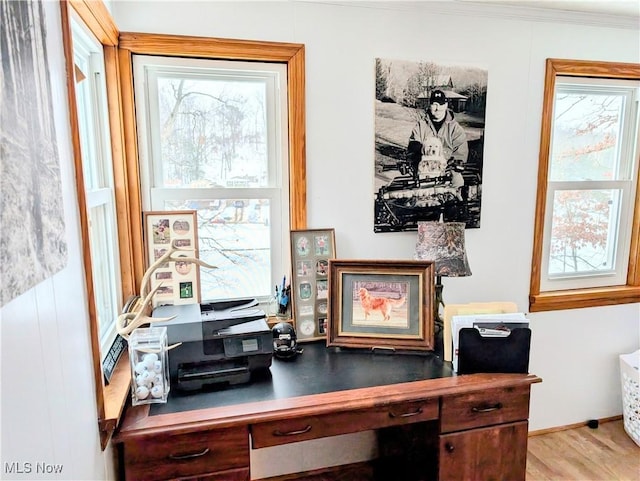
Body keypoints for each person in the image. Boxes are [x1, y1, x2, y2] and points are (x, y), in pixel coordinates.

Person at [407, 89, 468, 187]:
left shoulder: (455, 129)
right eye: (434, 104)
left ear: (446, 105)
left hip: (447, 169)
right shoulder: (421, 126)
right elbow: (413, 147)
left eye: (441, 104)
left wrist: (452, 166)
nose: (437, 108)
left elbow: (460, 154)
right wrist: (416, 158)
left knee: (458, 182)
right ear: (430, 105)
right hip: (424, 169)